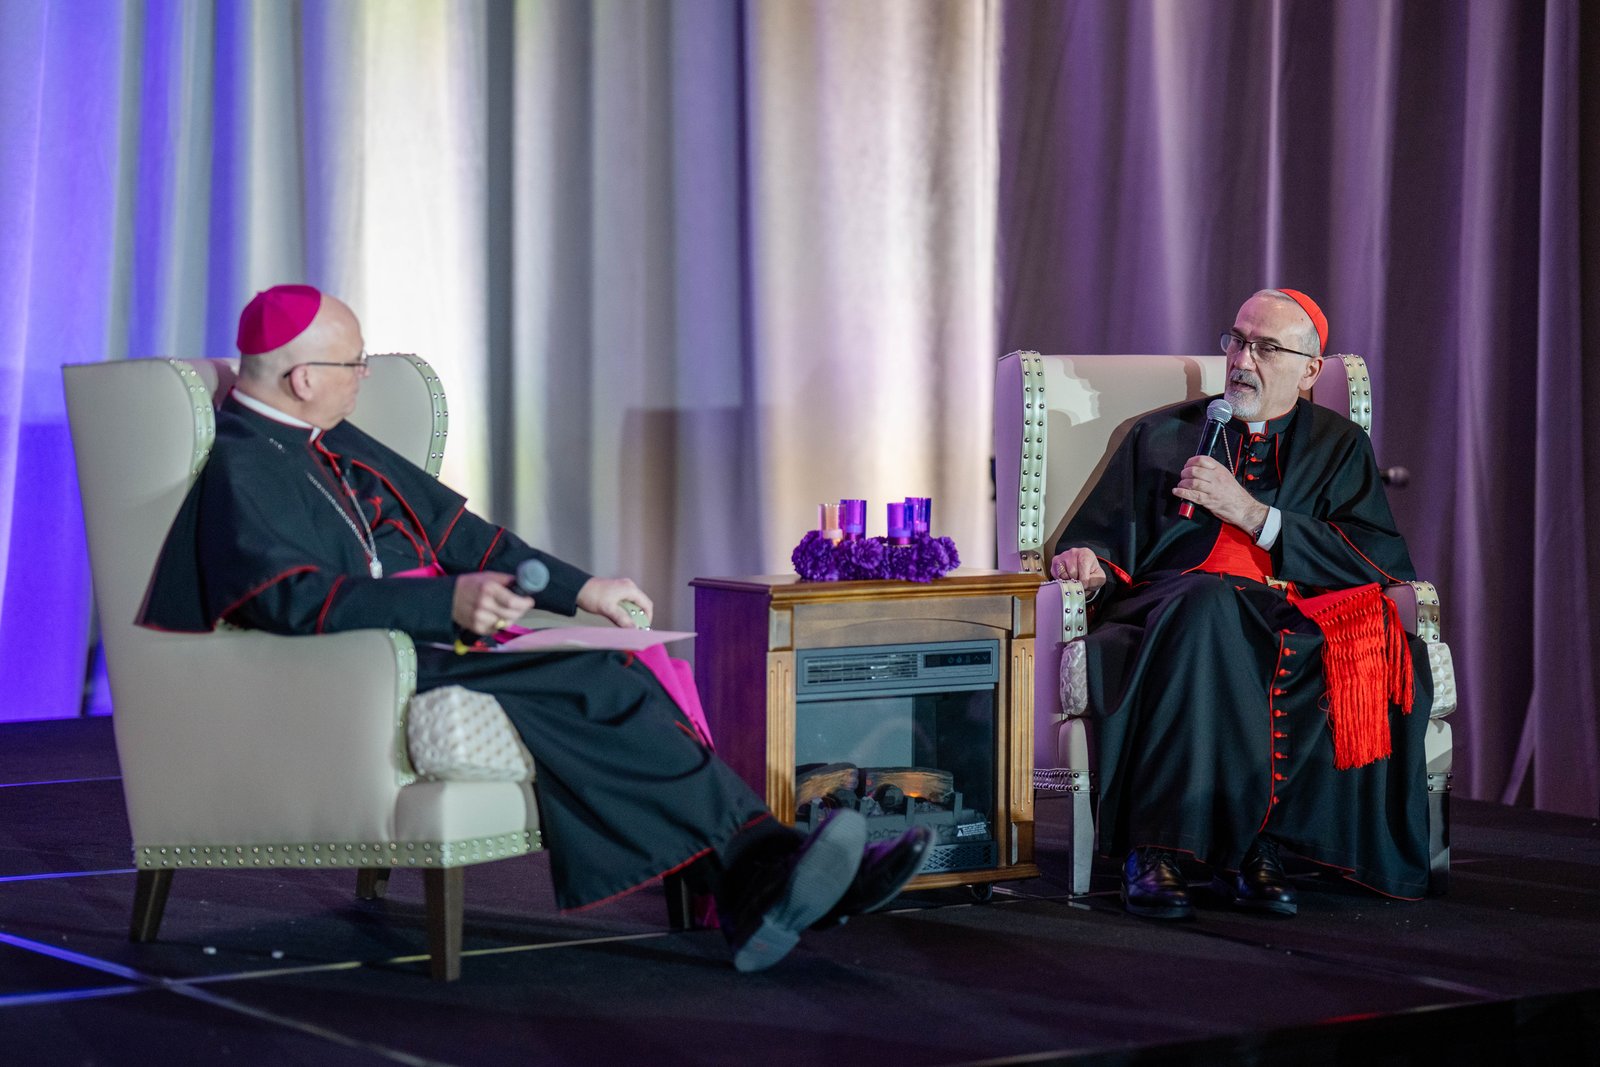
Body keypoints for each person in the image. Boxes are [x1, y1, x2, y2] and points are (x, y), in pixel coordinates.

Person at [139, 283, 931, 971]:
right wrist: (439, 606)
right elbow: (288, 600)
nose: (365, 376)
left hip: (428, 639)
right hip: (373, 659)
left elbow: (462, 536)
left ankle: (760, 876)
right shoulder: (246, 463)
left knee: (629, 665)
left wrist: (584, 590)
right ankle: (768, 870)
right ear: (304, 377)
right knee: (596, 680)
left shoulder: (330, 438)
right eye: (354, 364)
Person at [1049, 288, 1432, 920]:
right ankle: (1164, 849)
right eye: (1237, 340)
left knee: (1354, 651)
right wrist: (1088, 566)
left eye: (1266, 347)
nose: (1242, 360)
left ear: (1310, 370)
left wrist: (1257, 518)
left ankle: (1256, 845)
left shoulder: (1338, 445)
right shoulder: (1162, 434)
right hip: (1171, 611)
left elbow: (1378, 562)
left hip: (1289, 614)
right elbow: (1104, 540)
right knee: (1208, 606)